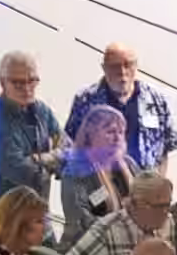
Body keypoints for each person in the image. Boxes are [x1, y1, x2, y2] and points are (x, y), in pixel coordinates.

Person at [0, 50, 66, 219]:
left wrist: (40, 159)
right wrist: (55, 160)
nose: (27, 89)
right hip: (3, 218)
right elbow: (20, 171)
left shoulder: (41, 110)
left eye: (32, 81)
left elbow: (66, 146)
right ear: (2, 82)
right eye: (18, 83)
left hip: (37, 212)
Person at [88, 44, 177, 186]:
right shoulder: (87, 100)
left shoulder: (155, 99)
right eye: (115, 66)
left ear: (136, 66)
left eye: (128, 65)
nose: (122, 72)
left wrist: (158, 185)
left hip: (146, 188)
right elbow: (74, 146)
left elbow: (165, 148)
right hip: (101, 187)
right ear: (104, 68)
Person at [55, 87, 132, 237]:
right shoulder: (76, 170)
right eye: (110, 131)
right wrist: (121, 224)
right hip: (86, 246)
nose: (117, 138)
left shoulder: (128, 165)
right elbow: (80, 220)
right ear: (91, 135)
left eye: (121, 132)